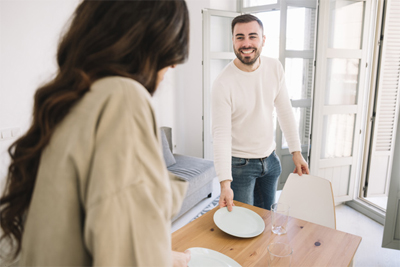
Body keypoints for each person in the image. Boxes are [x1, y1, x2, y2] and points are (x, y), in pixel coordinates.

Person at [0, 1, 191, 266]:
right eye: (170, 60)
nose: (172, 69)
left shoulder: (66, 104)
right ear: (155, 44)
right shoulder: (122, 98)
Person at [212, 14, 310, 212]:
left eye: (252, 36)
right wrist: (225, 183)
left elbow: (285, 111)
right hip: (240, 166)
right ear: (232, 40)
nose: (246, 43)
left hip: (271, 160)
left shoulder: (275, 67)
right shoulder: (222, 83)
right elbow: (221, 136)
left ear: (263, 40)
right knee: (241, 223)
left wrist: (296, 153)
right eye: (239, 37)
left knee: (267, 218)